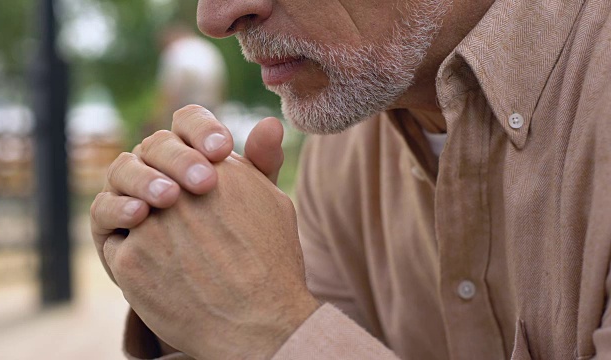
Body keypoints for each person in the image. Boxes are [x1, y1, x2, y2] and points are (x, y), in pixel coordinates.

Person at [90, 0, 611, 359]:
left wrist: (269, 328)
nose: (218, 15)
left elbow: (272, 329)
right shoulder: (339, 149)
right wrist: (198, 306)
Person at [147, 22, 227, 133]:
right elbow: (220, 84)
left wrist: (158, 120)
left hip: (185, 107)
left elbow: (170, 91)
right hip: (211, 108)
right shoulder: (207, 48)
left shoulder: (175, 50)